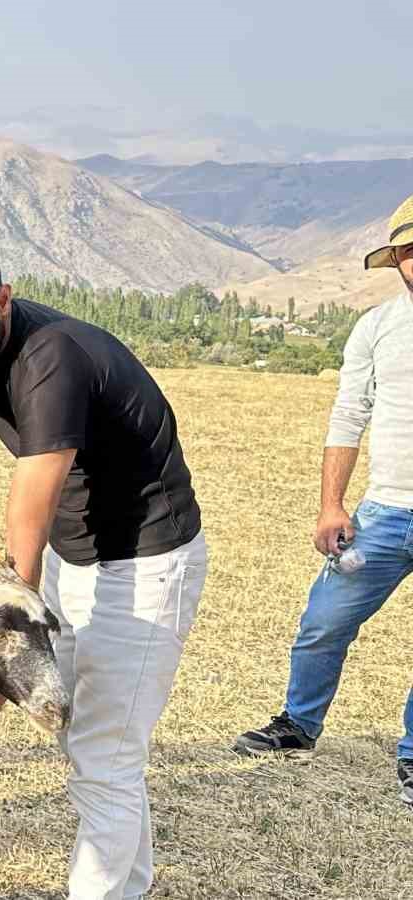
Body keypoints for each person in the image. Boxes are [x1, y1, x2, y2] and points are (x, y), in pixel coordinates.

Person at [0, 237, 206, 900]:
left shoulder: (50, 358)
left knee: (104, 755)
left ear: (2, 300)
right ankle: (132, 885)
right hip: (80, 559)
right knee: (103, 753)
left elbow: (27, 519)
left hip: (146, 564)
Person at [232, 194, 413, 810]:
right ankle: (298, 725)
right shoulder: (377, 327)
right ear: (396, 260)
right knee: (323, 624)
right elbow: (349, 415)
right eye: (408, 251)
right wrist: (331, 505)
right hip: (385, 511)